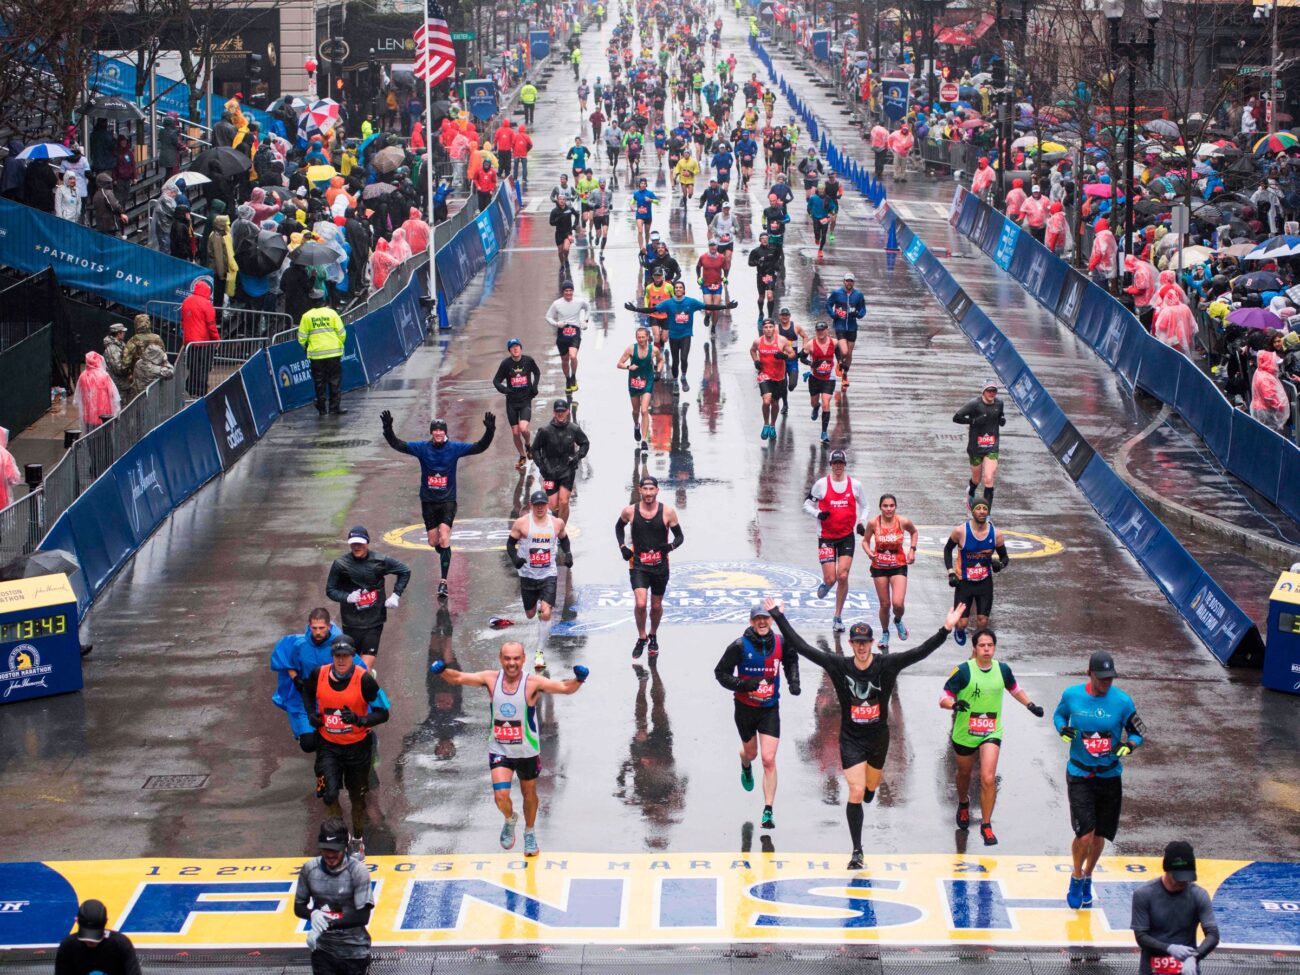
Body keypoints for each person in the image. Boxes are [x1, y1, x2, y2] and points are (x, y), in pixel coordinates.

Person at [767, 597, 966, 869]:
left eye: (865, 642)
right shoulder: (839, 666)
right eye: (857, 643)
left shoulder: (887, 665)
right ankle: (857, 851)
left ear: (872, 643)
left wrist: (945, 629)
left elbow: (920, 652)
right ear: (850, 644)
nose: (861, 648)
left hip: (878, 739)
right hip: (850, 739)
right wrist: (778, 617)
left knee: (871, 787)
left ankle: (872, 788)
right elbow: (802, 647)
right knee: (856, 791)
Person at [431, 642, 590, 857]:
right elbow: (458, 678)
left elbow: (564, 688)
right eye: (507, 658)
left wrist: (579, 679)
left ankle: (530, 832)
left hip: (527, 752)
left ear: (523, 659)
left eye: (516, 658)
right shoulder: (490, 679)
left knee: (529, 794)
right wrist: (442, 671)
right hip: (500, 750)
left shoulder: (533, 682)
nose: (511, 663)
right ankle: (509, 819)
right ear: (501, 659)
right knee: (500, 797)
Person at [1054, 650, 1145, 909]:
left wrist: (1130, 746)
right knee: (1085, 833)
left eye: (1110, 679)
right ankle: (1075, 875)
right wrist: (1063, 729)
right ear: (1089, 673)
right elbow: (1059, 716)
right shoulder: (1072, 695)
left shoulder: (1123, 702)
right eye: (1102, 678)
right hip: (1080, 774)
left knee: (1100, 835)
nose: (1107, 683)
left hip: (1109, 777)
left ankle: (1089, 875)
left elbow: (1138, 731)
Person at [940, 628, 1045, 845]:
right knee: (964, 774)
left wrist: (1030, 705)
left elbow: (1015, 689)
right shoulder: (962, 671)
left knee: (988, 778)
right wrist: (954, 704)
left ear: (994, 647)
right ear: (974, 648)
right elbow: (943, 697)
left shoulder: (1003, 670)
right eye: (982, 646)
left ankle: (986, 825)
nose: (986, 649)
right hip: (965, 733)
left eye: (990, 645)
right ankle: (963, 803)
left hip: (991, 731)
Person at [380, 410, 495, 598]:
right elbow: (398, 445)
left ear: (446, 433)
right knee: (434, 542)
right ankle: (445, 553)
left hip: (448, 501)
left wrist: (489, 431)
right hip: (428, 501)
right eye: (436, 431)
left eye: (442, 431)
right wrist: (388, 428)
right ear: (432, 433)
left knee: (444, 537)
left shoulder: (455, 448)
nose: (439, 433)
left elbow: (479, 447)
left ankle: (443, 582)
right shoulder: (422, 448)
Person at [713, 600, 801, 829]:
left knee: (769, 759)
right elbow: (720, 673)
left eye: (766, 618)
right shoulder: (740, 646)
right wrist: (743, 685)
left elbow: (791, 660)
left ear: (771, 620)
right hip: (745, 709)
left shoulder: (780, 642)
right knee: (751, 754)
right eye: (757, 619)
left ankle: (768, 810)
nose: (762, 622)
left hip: (770, 708)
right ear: (751, 621)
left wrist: (793, 682)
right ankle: (744, 762)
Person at [301, 638, 390, 858]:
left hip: (357, 747)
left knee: (357, 798)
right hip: (328, 747)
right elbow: (306, 692)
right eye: (338, 656)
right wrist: (311, 714)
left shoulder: (364, 680)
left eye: (346, 656)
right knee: (329, 795)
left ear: (352, 657)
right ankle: (341, 834)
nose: (341, 661)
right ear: (332, 656)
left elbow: (383, 713)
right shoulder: (318, 674)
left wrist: (360, 719)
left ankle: (358, 839)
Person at [293, 818, 375, 974]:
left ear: (345, 847)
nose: (330, 855)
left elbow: (362, 917)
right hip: (323, 951)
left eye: (335, 850)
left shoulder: (358, 871)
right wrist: (313, 914)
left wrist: (326, 925)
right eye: (325, 849)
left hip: (354, 952)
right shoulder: (309, 869)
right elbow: (298, 907)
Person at [615, 475, 684, 658]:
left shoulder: (667, 512)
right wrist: (622, 547)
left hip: (660, 566)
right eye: (644, 490)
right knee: (640, 603)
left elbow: (680, 537)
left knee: (655, 606)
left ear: (657, 491)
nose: (648, 493)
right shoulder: (630, 511)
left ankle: (653, 634)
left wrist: (669, 547)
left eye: (651, 489)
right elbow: (618, 527)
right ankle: (641, 637)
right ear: (640, 491)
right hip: (638, 564)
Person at [324, 526, 411, 670]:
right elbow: (330, 590)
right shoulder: (340, 564)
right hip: (350, 623)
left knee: (362, 669)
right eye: (353, 543)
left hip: (374, 622)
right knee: (350, 666)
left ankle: (365, 678)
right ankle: (366, 679)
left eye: (360, 543)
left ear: (367, 542)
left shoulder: (380, 560)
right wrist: (347, 597)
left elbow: (405, 571)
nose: (357, 546)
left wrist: (396, 595)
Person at [1131, 841, 1220, 975]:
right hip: (1153, 970)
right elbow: (1141, 936)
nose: (1184, 881)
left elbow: (1213, 934)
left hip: (1187, 969)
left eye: (1187, 877)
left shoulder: (1199, 895)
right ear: (1167, 870)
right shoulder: (1144, 895)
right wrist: (1169, 948)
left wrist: (1195, 956)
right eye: (1179, 877)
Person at [507, 490, 573, 670]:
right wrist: (516, 559)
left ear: (547, 505)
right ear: (531, 505)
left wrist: (567, 554)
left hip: (548, 574)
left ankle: (539, 652)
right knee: (530, 614)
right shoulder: (522, 523)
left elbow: (564, 539)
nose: (540, 508)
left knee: (546, 613)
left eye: (543, 505)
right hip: (528, 575)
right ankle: (539, 611)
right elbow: (510, 544)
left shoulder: (556, 523)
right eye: (536, 505)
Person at [804, 448, 867, 633]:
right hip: (826, 538)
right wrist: (818, 513)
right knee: (831, 578)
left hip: (846, 536)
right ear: (831, 465)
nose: (838, 467)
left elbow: (866, 505)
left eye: (841, 463)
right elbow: (806, 504)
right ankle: (826, 584)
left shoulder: (855, 485)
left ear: (845, 465)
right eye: (835, 464)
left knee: (843, 576)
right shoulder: (821, 485)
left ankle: (837, 616)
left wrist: (862, 522)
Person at [944, 496, 1008, 644]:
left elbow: (1005, 557)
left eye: (985, 509)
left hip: (984, 582)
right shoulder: (960, 531)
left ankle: (976, 647)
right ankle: (959, 629)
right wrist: (951, 572)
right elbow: (947, 550)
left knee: (982, 620)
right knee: (962, 623)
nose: (981, 512)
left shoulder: (996, 534)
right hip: (964, 582)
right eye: (978, 508)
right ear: (972, 511)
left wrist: (1000, 564)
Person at [862, 493, 918, 649]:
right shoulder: (874, 523)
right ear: (880, 507)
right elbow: (865, 541)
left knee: (898, 603)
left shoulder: (902, 521)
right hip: (879, 566)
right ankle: (885, 633)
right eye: (885, 506)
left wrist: (912, 550)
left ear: (895, 507)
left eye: (891, 505)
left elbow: (914, 532)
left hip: (898, 565)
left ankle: (898, 620)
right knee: (885, 604)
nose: (888, 509)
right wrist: (869, 552)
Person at [530, 399, 589, 522]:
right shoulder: (544, 431)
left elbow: (585, 443)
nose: (560, 414)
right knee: (552, 505)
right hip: (549, 472)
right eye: (558, 411)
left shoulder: (574, 429)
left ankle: (561, 530)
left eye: (563, 411)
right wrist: (541, 466)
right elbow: (535, 449)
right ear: (553, 413)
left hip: (567, 470)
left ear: (567, 411)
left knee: (564, 501)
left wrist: (577, 457)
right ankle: (556, 521)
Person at [953, 381, 1006, 509]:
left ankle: (987, 514)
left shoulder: (999, 403)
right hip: (975, 447)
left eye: (994, 391)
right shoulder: (974, 404)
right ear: (983, 392)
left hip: (991, 447)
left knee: (988, 478)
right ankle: (971, 491)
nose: (992, 393)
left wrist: (1002, 420)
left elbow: (1000, 415)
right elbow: (956, 417)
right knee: (976, 480)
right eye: (989, 391)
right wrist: (973, 421)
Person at [54, 899, 142, 975]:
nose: (91, 942)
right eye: (87, 936)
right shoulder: (68, 946)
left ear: (106, 922)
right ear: (76, 921)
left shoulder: (121, 944)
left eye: (95, 935)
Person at [493, 338, 541, 470]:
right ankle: (522, 456)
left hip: (525, 400)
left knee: (523, 428)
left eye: (517, 346)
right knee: (515, 433)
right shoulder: (506, 364)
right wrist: (504, 390)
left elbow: (537, 372)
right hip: (512, 402)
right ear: (509, 350)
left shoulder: (528, 361)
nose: (515, 349)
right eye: (512, 347)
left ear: (521, 348)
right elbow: (496, 381)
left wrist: (535, 386)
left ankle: (528, 444)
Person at [298, 289, 348, 416]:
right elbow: (342, 333)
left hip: (316, 355)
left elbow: (302, 338)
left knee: (319, 382)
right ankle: (334, 407)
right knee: (334, 380)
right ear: (323, 300)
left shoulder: (307, 316)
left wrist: (307, 347)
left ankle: (322, 409)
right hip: (333, 353)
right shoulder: (332, 313)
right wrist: (338, 345)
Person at [617, 325, 663, 451]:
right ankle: (636, 425)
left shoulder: (654, 350)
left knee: (644, 410)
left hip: (647, 380)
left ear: (648, 337)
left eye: (643, 337)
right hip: (634, 381)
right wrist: (628, 367)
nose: (641, 339)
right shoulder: (631, 349)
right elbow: (619, 363)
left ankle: (644, 439)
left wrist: (658, 372)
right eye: (638, 337)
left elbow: (660, 361)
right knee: (636, 411)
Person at [751, 317, 795, 441]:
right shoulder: (758, 341)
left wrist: (784, 356)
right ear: (763, 329)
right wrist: (756, 361)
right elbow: (752, 351)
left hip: (779, 377)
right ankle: (765, 424)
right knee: (766, 401)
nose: (768, 330)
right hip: (764, 375)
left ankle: (772, 425)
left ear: (774, 328)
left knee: (775, 403)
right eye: (766, 327)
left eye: (771, 327)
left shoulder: (782, 341)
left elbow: (792, 354)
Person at [546, 281, 590, 394]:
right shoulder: (557, 303)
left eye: (570, 291)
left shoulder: (579, 301)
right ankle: (567, 379)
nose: (568, 293)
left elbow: (588, 307)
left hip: (575, 331)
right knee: (565, 360)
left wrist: (585, 320)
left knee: (573, 356)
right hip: (562, 332)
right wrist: (556, 324)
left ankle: (573, 377)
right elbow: (548, 316)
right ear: (563, 292)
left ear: (573, 291)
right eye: (566, 291)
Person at [825, 272, 866, 389]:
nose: (849, 283)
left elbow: (863, 309)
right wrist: (833, 315)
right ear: (844, 281)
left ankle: (845, 375)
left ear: (853, 282)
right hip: (840, 325)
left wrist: (858, 314)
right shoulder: (837, 293)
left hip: (852, 327)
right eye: (847, 280)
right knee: (844, 351)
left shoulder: (858, 295)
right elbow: (828, 304)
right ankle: (839, 361)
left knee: (850, 353)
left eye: (851, 281)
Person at [799, 321, 838, 443]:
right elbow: (802, 358)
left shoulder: (834, 343)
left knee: (826, 403)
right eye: (818, 330)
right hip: (815, 378)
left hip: (829, 378)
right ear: (816, 331)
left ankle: (824, 433)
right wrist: (811, 364)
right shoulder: (810, 344)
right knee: (814, 402)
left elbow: (839, 355)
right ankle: (816, 407)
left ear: (827, 330)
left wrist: (841, 363)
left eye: (822, 330)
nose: (820, 332)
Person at [102, 322, 133, 401]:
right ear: (118, 333)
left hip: (123, 384)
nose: (124, 334)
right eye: (123, 332)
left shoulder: (120, 345)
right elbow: (118, 368)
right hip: (118, 385)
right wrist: (129, 372)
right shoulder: (113, 349)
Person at [631, 176, 660, 250]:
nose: (643, 185)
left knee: (647, 233)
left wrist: (650, 200)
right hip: (639, 216)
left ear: (646, 184)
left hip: (648, 216)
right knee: (640, 231)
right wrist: (631, 206)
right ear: (639, 184)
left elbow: (657, 202)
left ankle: (646, 246)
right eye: (641, 183)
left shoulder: (650, 193)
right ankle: (641, 247)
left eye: (644, 183)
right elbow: (632, 201)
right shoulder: (636, 194)